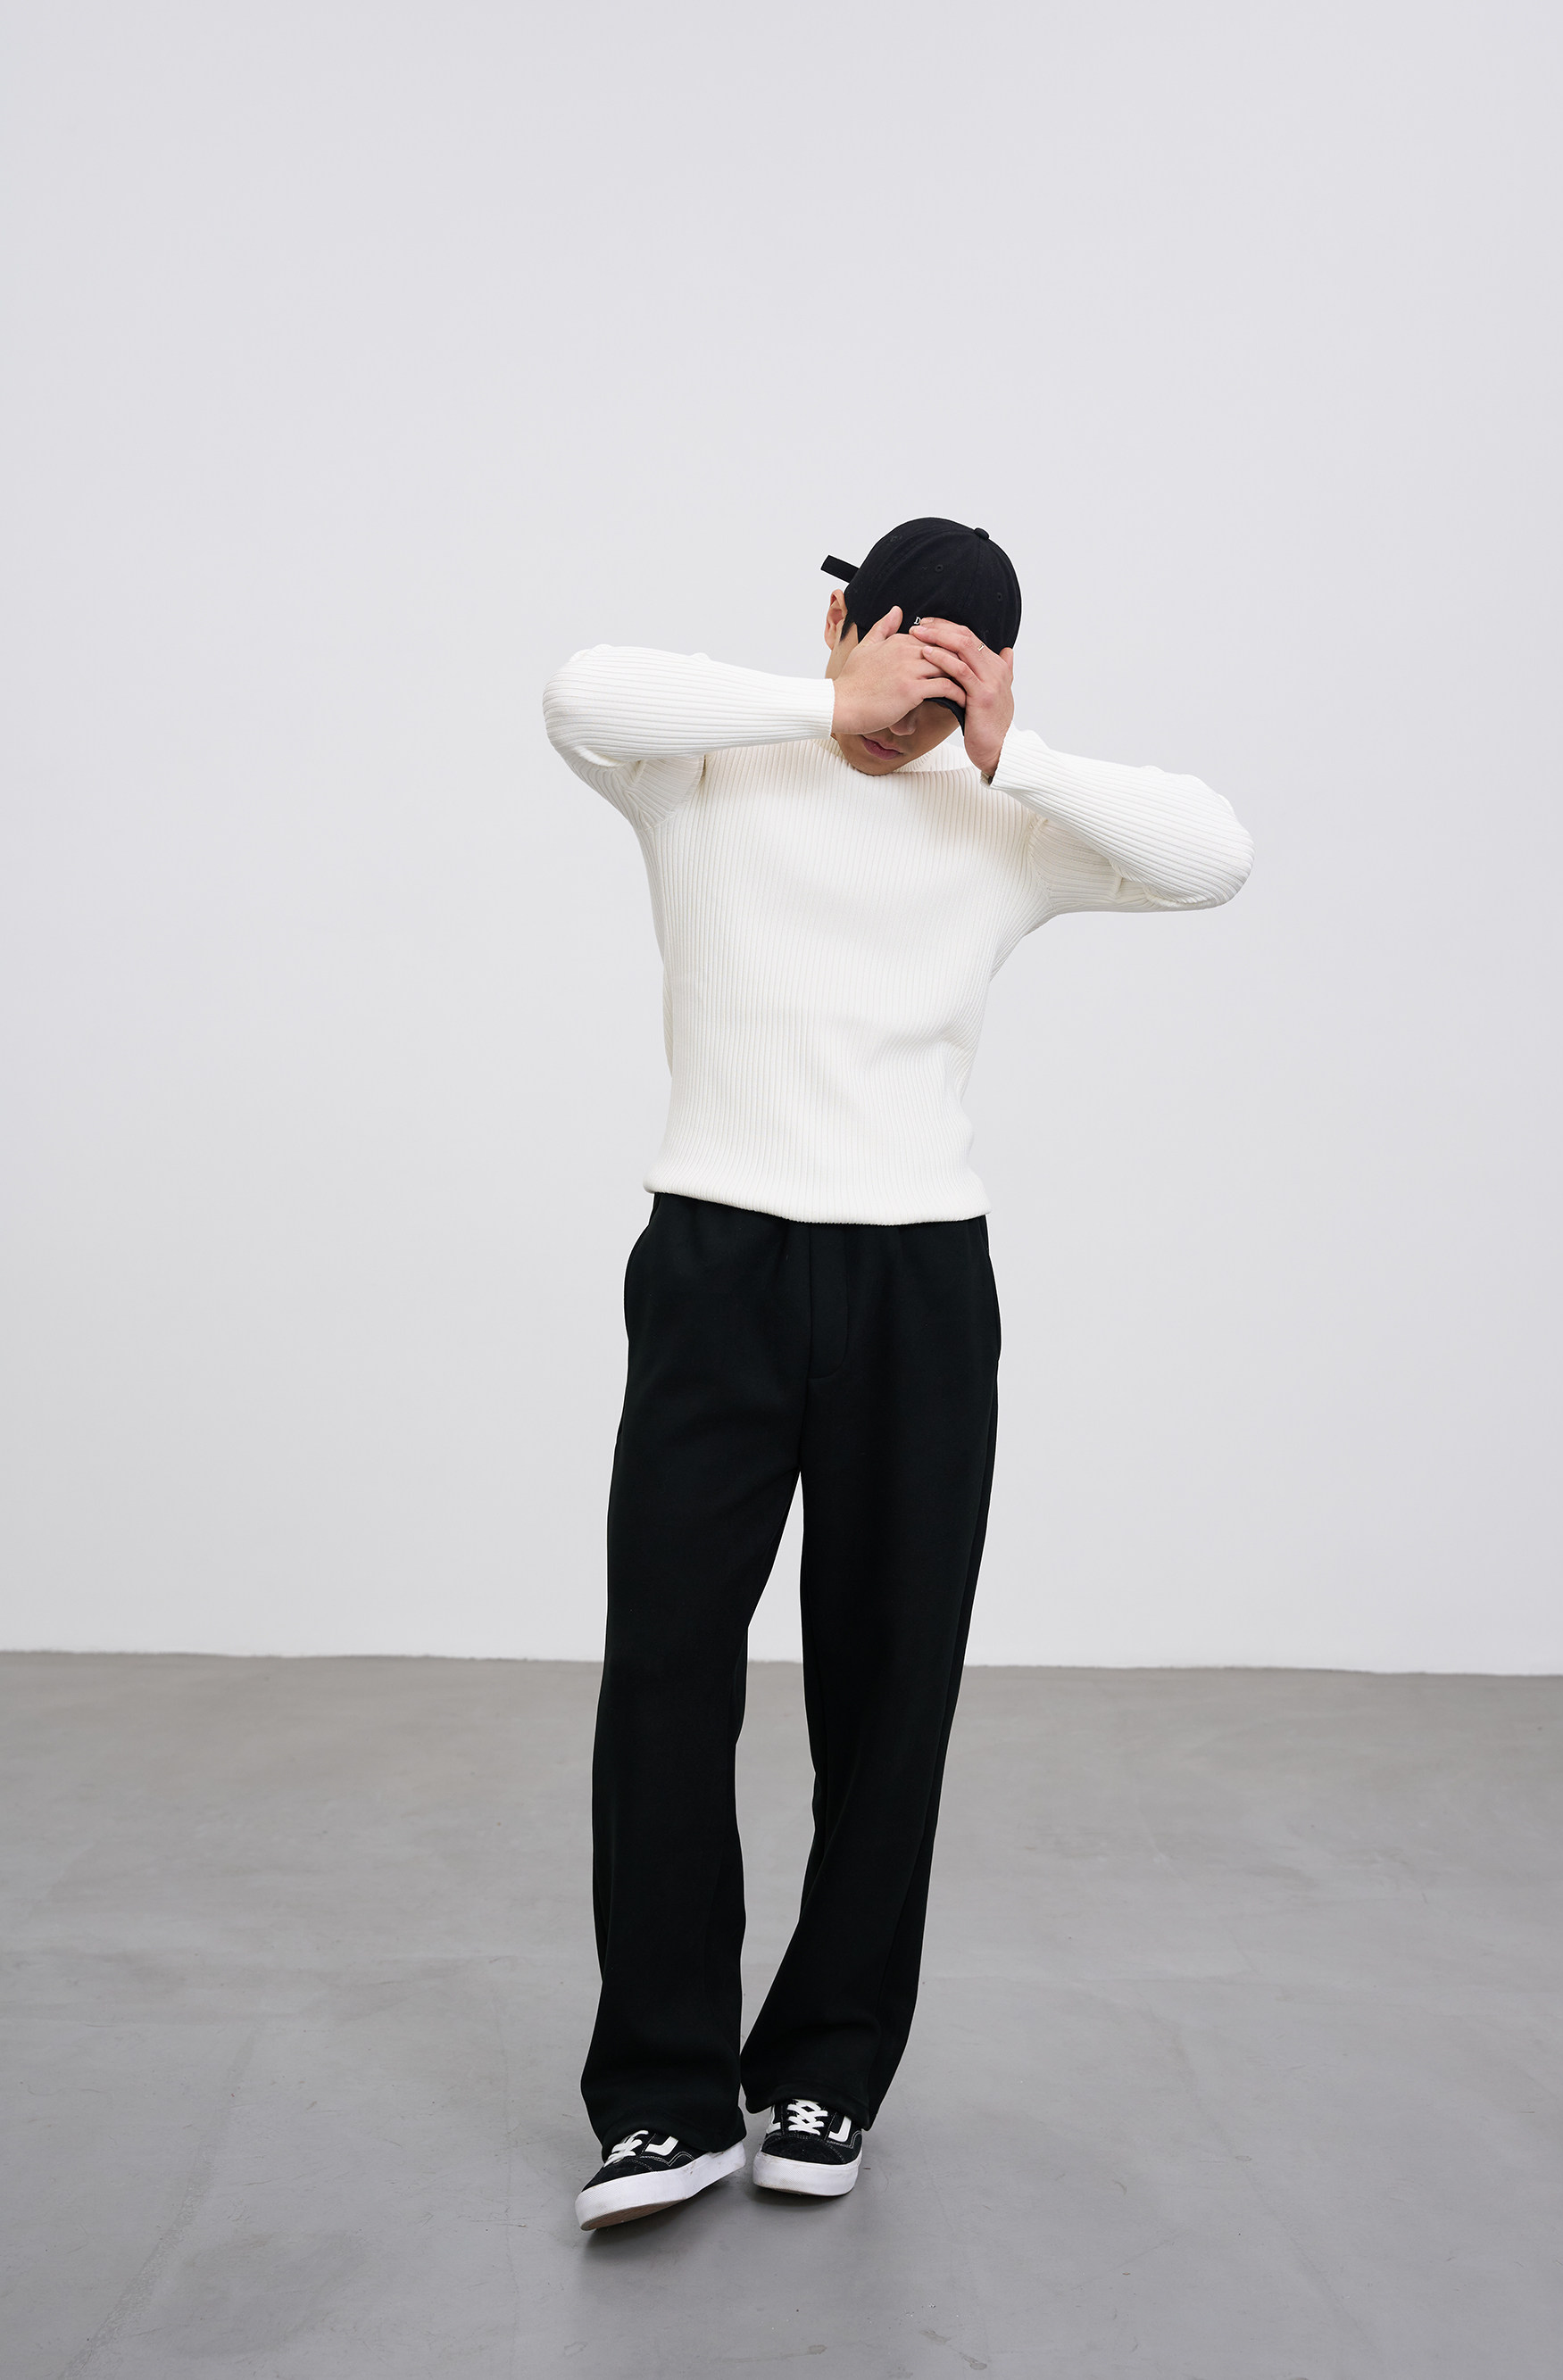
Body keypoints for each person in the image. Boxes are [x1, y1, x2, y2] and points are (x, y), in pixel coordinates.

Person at [541, 518, 1253, 2232]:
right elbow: (576, 690)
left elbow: (1215, 858)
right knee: (666, 1674)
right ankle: (662, 2100)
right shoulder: (710, 770)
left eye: (949, 688)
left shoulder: (1001, 817)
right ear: (844, 620)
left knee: (890, 1688)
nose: (907, 718)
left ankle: (825, 2074)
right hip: (716, 1257)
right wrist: (829, 698)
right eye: (895, 658)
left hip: (921, 1282)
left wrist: (1016, 747)